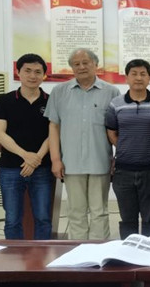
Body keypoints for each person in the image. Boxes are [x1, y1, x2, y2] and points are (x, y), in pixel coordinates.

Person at [45, 49, 119, 240]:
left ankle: (98, 251)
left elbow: (116, 129)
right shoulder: (59, 92)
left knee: (99, 211)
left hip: (100, 161)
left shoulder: (111, 92)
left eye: (86, 62)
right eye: (76, 64)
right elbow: (54, 126)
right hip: (71, 162)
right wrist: (55, 159)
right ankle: (78, 251)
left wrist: (116, 157)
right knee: (75, 211)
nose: (81, 67)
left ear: (96, 64)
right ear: (71, 67)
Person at [0, 53, 53, 239]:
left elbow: (53, 134)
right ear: (18, 72)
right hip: (10, 168)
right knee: (12, 219)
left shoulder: (51, 100)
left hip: (42, 168)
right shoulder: (5, 100)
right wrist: (26, 155)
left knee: (43, 218)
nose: (32, 76)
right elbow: (0, 134)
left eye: (38, 72)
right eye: (27, 71)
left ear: (44, 75)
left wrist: (37, 159)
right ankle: (14, 256)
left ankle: (43, 254)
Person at [105, 59, 150, 238]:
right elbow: (111, 132)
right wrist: (126, 147)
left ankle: (149, 252)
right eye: (134, 74)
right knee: (127, 219)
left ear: (149, 78)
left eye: (143, 74)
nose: (138, 78)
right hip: (123, 171)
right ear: (127, 77)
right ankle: (128, 251)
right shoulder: (116, 104)